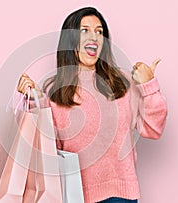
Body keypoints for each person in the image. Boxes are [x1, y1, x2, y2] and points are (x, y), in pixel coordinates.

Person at [17, 7, 167, 203]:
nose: (94, 37)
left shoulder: (122, 83)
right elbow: (48, 151)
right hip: (73, 195)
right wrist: (36, 103)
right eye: (84, 30)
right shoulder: (56, 93)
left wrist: (149, 86)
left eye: (99, 32)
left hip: (120, 195)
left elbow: (153, 129)